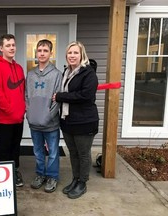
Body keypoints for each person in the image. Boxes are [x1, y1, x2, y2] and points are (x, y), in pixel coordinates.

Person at [53, 41, 99, 199]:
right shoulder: (66, 72)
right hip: (68, 121)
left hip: (84, 122)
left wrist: (60, 96)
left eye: (75, 53)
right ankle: (75, 179)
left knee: (83, 153)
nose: (72, 56)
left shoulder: (88, 73)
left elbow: (85, 96)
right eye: (69, 53)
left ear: (82, 55)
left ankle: (82, 182)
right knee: (72, 152)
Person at [25, 39, 62, 193]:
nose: (42, 53)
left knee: (53, 151)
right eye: (39, 50)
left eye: (45, 50)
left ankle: (52, 176)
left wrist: (48, 116)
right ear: (36, 53)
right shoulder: (31, 74)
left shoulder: (56, 74)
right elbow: (26, 96)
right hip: (34, 122)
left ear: (50, 53)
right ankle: (40, 174)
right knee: (38, 151)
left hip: (50, 123)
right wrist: (29, 114)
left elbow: (57, 99)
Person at [0, 34, 26, 187]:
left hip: (18, 118)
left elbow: (22, 92)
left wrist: (22, 109)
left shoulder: (19, 68)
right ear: (1, 48)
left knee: (15, 147)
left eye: (13, 45)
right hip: (4, 119)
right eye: (8, 45)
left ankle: (15, 171)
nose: (11, 48)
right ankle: (3, 178)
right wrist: (11, 110)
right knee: (4, 150)